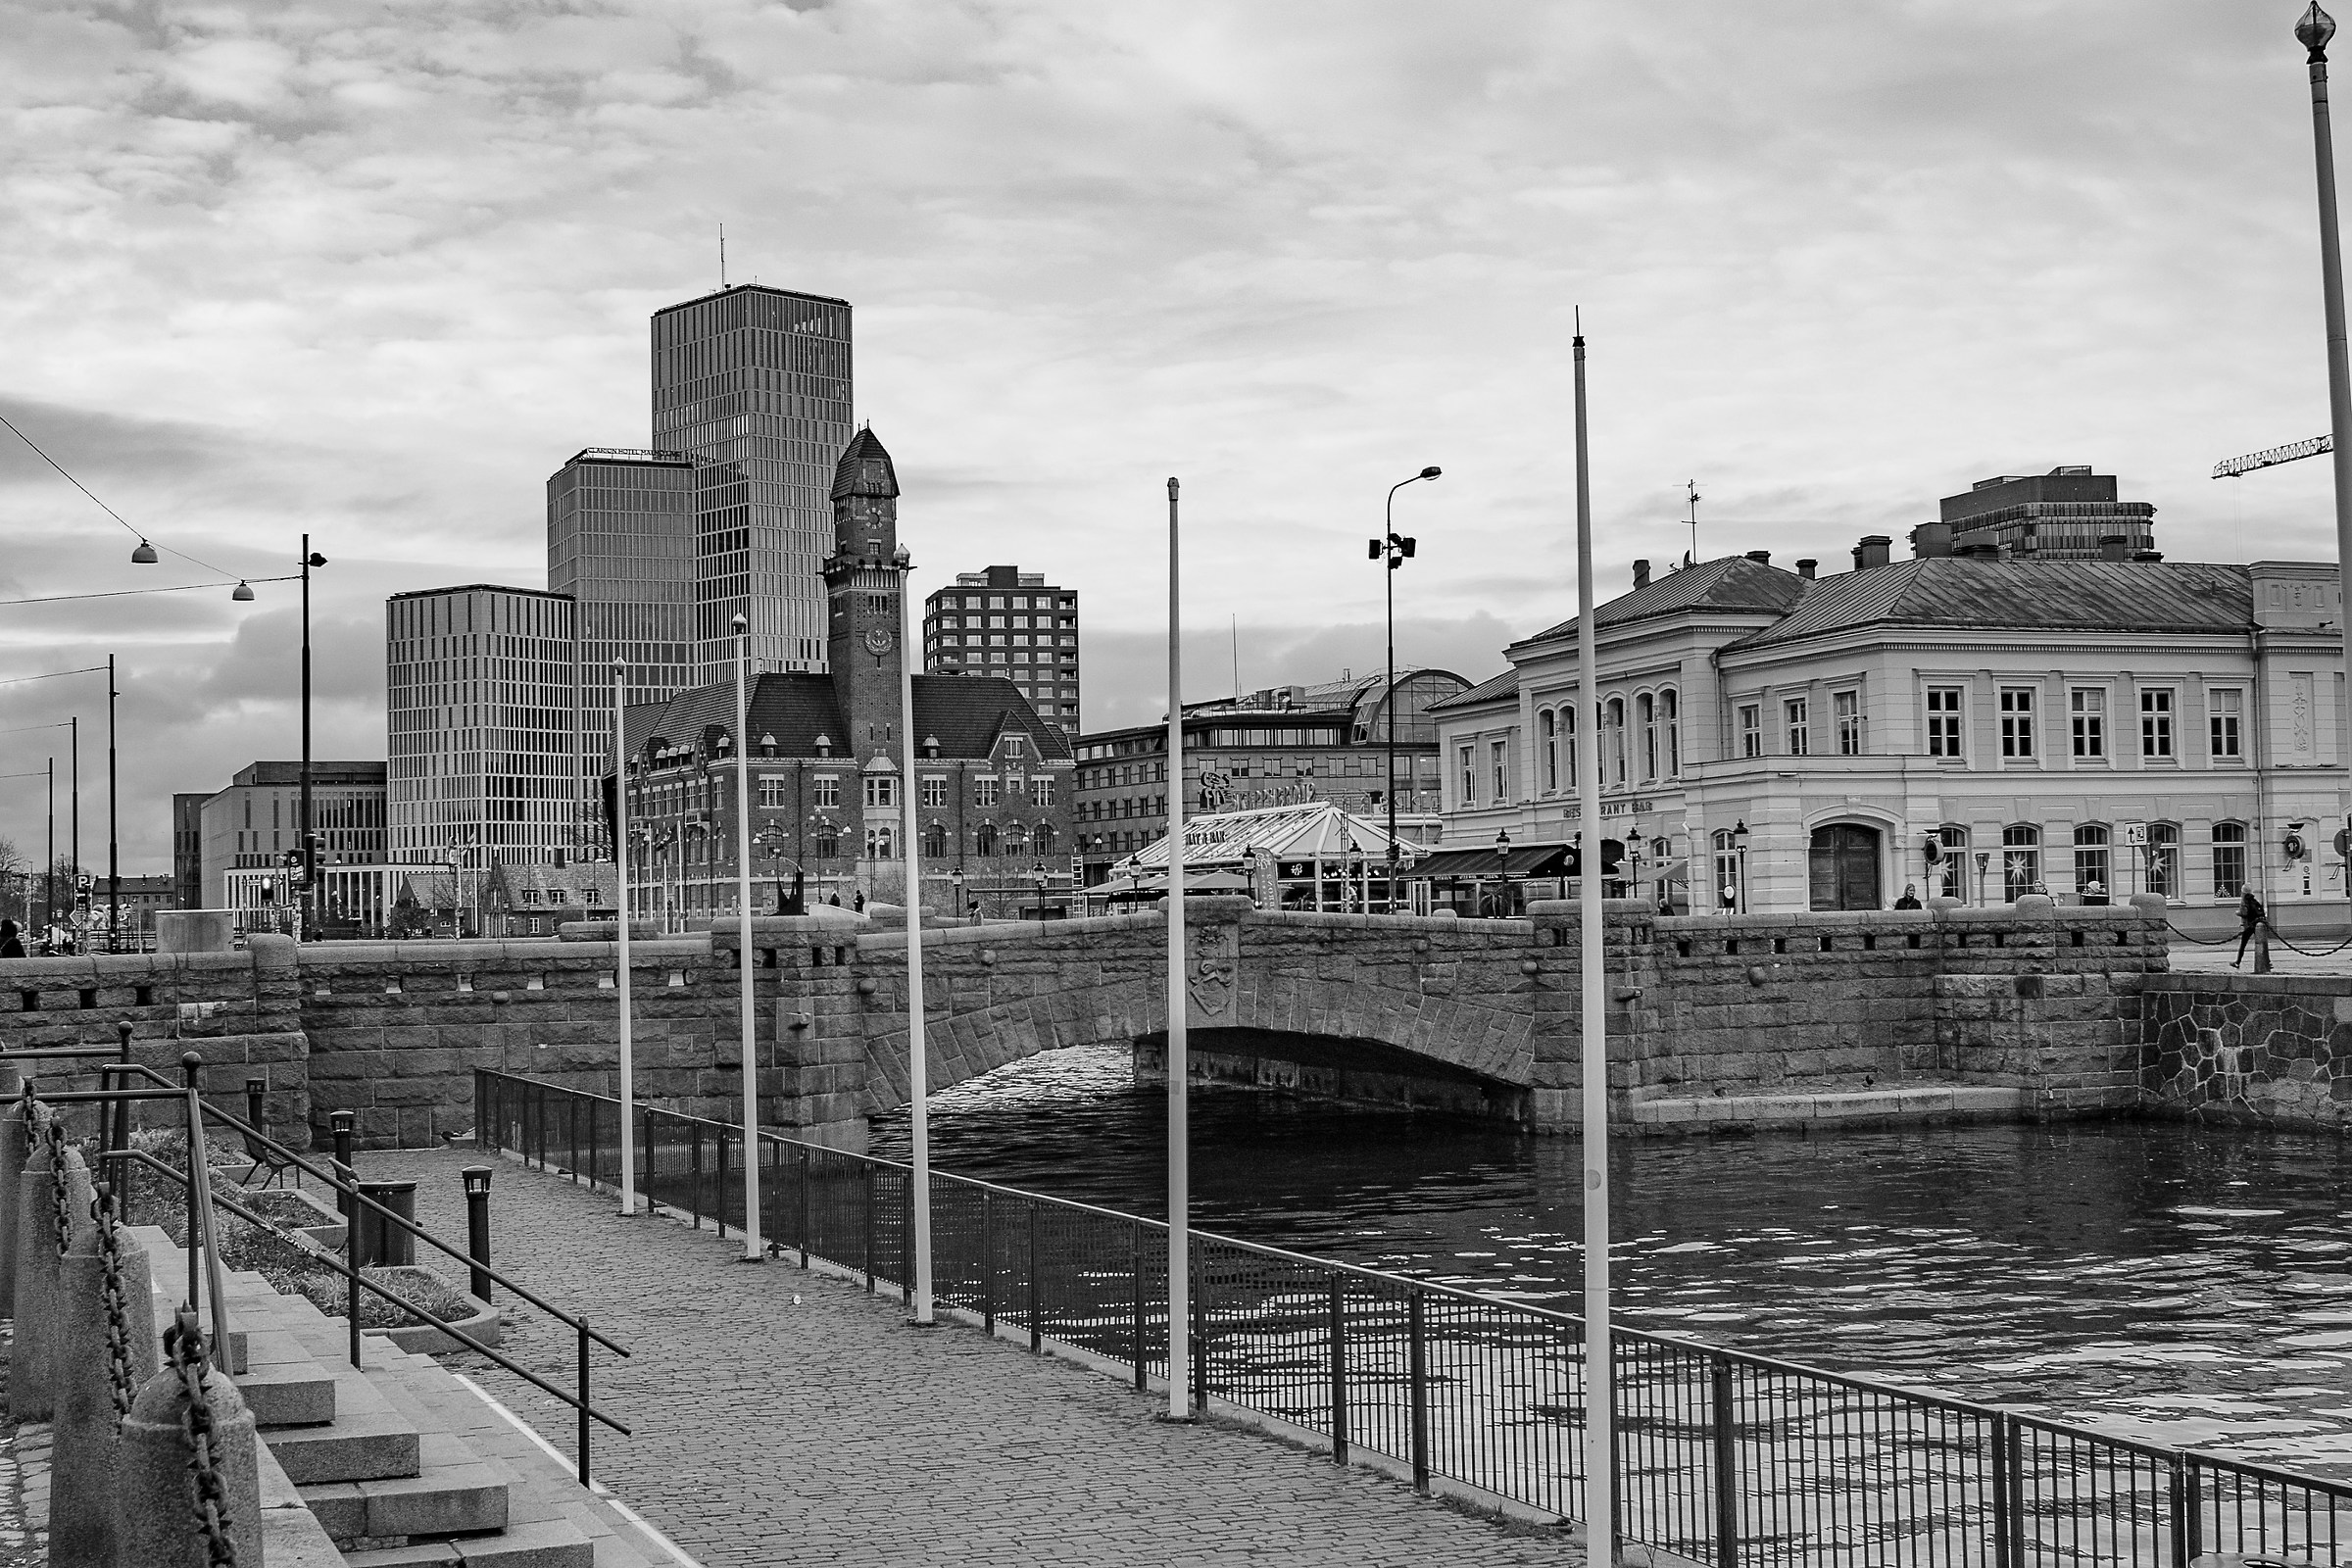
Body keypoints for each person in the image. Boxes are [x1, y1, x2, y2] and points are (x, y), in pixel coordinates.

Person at [2232, 889, 2268, 968]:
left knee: (2243, 945)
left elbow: (2244, 913)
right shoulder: (2254, 900)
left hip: (2250, 925)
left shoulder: (2245, 902)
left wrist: (2238, 913)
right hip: (2258, 924)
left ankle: (2238, 962)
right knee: (2262, 943)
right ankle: (2268, 962)